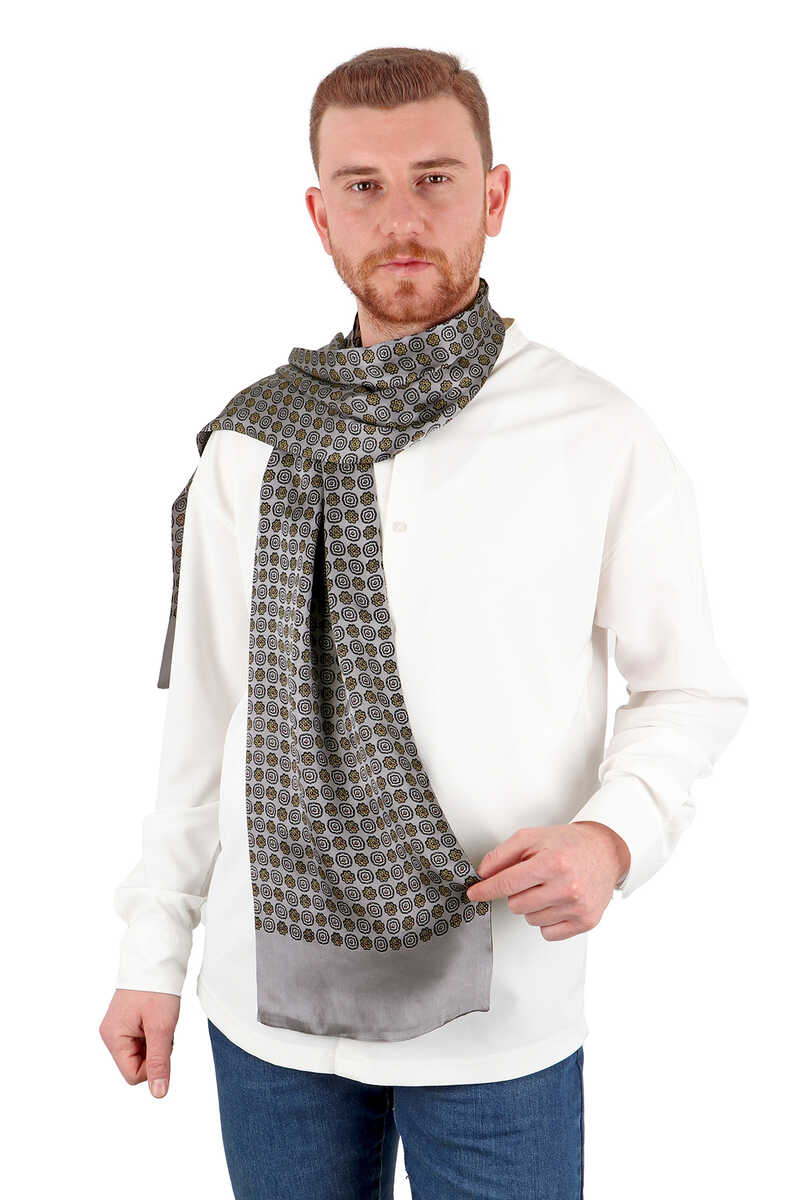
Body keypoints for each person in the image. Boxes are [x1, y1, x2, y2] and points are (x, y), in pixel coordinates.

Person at [99, 46, 749, 1200]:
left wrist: (610, 839)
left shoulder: (594, 432)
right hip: (267, 1013)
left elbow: (687, 688)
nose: (399, 219)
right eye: (362, 185)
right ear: (319, 215)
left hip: (498, 1014)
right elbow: (200, 724)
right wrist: (151, 951)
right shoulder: (249, 443)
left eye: (434, 179)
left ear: (493, 197)